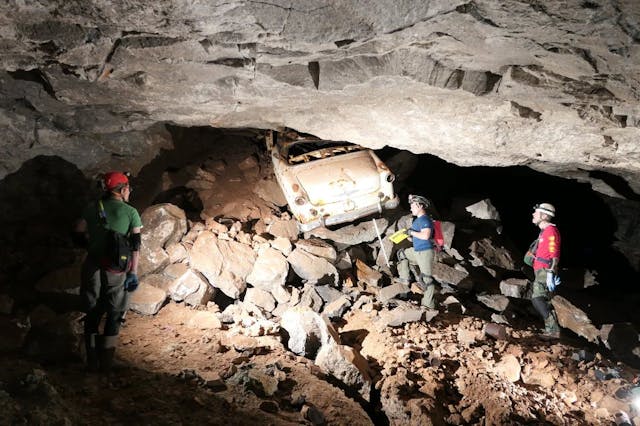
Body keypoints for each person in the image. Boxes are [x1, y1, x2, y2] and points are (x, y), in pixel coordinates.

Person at [72, 171, 142, 372]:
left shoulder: (92, 207)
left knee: (93, 311)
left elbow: (77, 231)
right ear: (123, 190)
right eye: (128, 187)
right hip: (116, 269)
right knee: (115, 312)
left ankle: (91, 361)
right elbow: (136, 245)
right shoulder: (131, 213)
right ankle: (107, 362)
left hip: (92, 265)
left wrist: (92, 246)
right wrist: (133, 272)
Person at [396, 194, 437, 309]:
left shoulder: (425, 219)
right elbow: (415, 238)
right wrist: (405, 235)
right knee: (402, 254)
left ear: (419, 206)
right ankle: (405, 282)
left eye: (413, 206)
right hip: (417, 251)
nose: (411, 208)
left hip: (424, 252)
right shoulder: (417, 221)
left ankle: (428, 305)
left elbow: (426, 235)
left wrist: (411, 233)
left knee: (427, 280)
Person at [529, 202, 561, 339]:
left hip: (545, 270)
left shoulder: (551, 231)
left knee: (537, 299)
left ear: (544, 215)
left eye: (536, 212)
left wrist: (551, 273)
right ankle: (551, 330)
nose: (533, 214)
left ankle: (553, 331)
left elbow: (555, 254)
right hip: (540, 270)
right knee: (543, 300)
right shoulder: (544, 232)